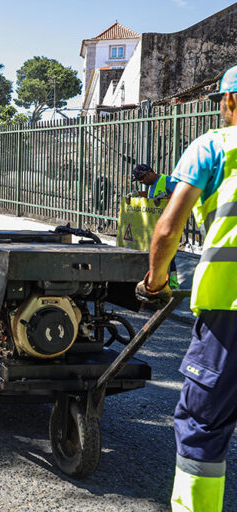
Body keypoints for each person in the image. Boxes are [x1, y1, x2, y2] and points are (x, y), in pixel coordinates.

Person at [135, 64, 237, 512]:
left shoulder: (215, 146)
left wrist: (153, 284)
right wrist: (152, 179)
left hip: (227, 312)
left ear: (229, 101)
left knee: (202, 424)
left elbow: (168, 225)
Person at [131, 163, 180, 289]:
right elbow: (151, 199)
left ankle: (172, 284)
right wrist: (138, 195)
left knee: (168, 256)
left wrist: (165, 197)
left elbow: (180, 193)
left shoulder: (166, 180)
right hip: (156, 226)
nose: (142, 182)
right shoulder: (153, 185)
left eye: (142, 179)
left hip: (169, 225)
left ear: (148, 174)